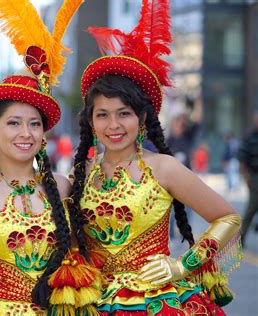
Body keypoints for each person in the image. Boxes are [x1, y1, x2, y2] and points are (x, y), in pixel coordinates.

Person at [67, 0, 242, 314]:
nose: (114, 125)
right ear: (91, 122)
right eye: (103, 115)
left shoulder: (164, 167)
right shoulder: (80, 174)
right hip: (94, 303)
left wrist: (182, 266)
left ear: (142, 119)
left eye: (124, 113)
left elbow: (228, 217)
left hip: (158, 303)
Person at [0, 1, 100, 314]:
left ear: (45, 134)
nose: (25, 133)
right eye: (13, 123)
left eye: (34, 124)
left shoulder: (61, 186)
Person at [237, 112, 258, 248]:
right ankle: (241, 237)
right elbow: (242, 161)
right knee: (252, 207)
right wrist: (246, 177)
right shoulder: (249, 137)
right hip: (254, 176)